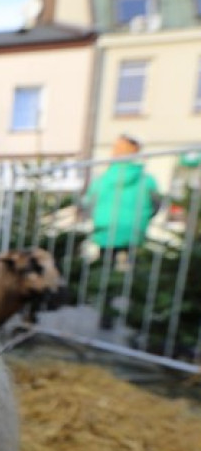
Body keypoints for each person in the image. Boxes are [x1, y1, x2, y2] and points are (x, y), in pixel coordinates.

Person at [81, 134, 160, 328]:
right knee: (134, 275)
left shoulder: (103, 179)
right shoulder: (146, 180)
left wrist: (97, 218)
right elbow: (157, 203)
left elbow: (87, 203)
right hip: (134, 233)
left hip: (105, 231)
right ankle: (136, 317)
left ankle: (106, 315)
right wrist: (141, 220)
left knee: (105, 273)